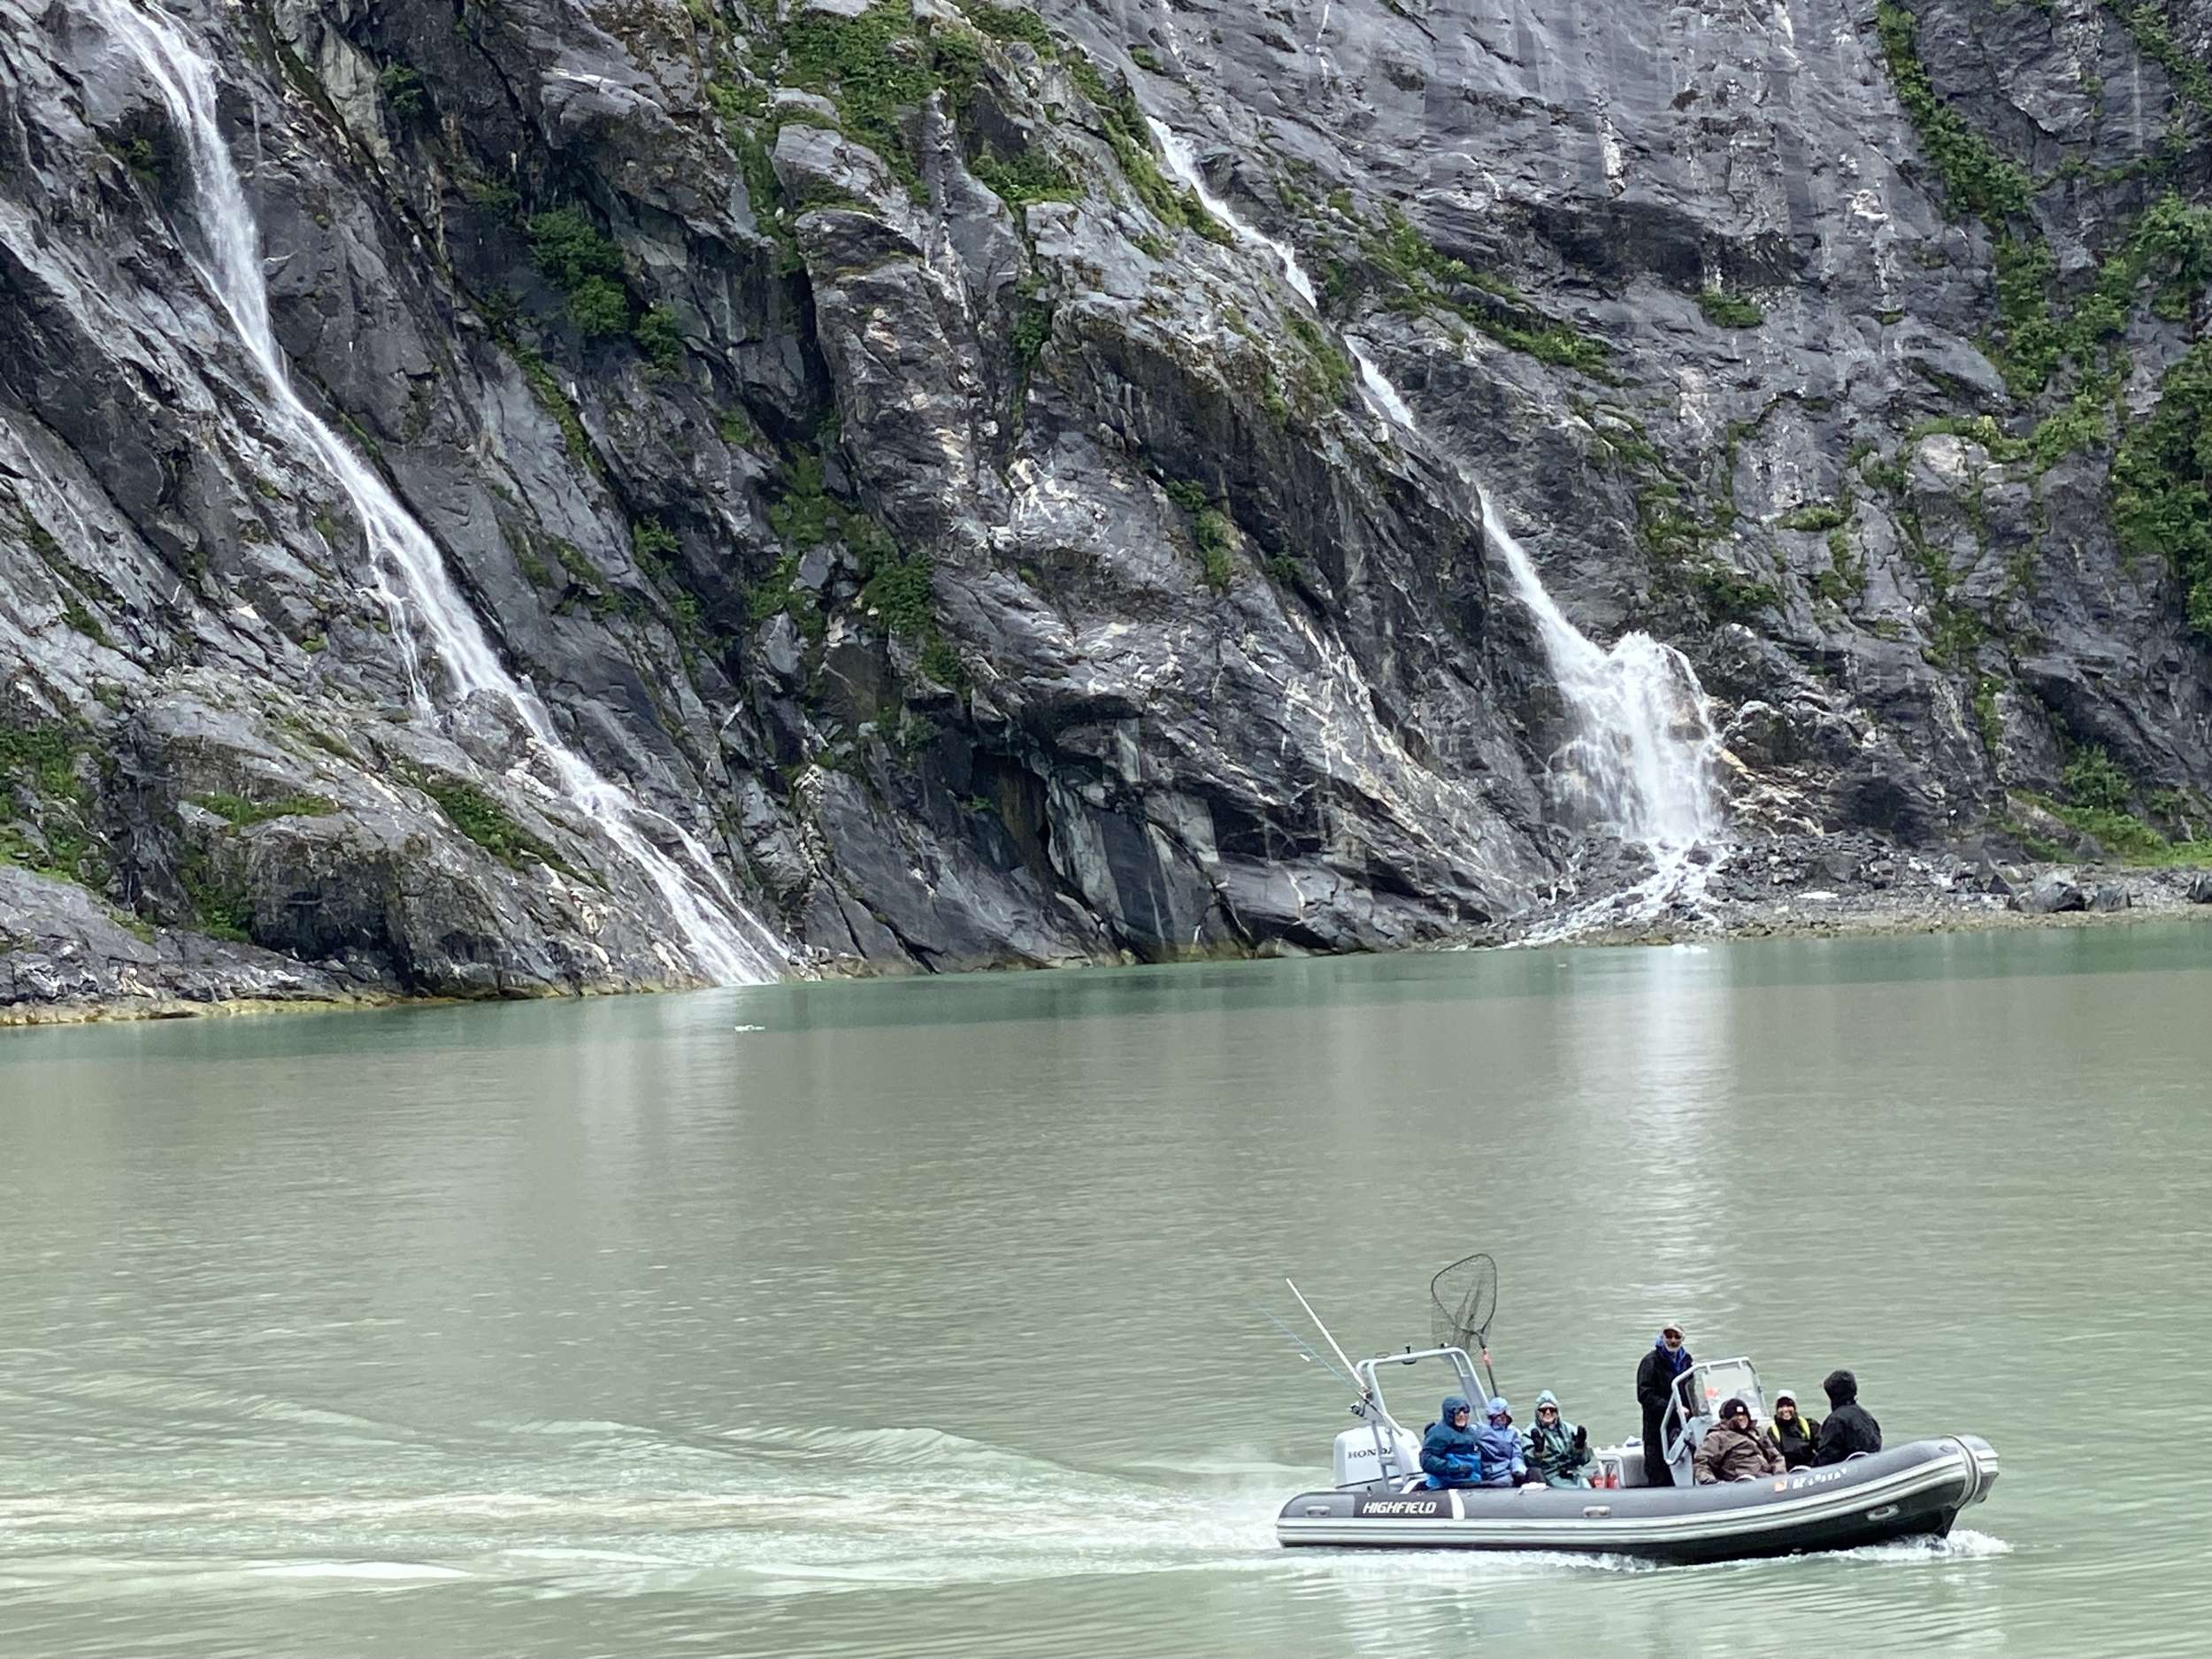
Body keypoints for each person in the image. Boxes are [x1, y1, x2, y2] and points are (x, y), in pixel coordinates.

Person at [1634, 1324, 1694, 1486]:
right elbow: (1645, 1395)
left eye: (1677, 1337)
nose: (1672, 1340)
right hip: (1658, 1425)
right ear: (1662, 1337)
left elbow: (1690, 1390)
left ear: (1682, 1339)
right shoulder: (1650, 1362)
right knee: (1658, 1468)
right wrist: (1672, 1408)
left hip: (1682, 1425)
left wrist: (1697, 1409)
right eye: (1669, 1336)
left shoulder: (1686, 1361)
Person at [1694, 1396, 1785, 1484]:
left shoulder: (1757, 1432)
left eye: (1744, 1415)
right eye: (1736, 1416)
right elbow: (1702, 1463)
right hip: (1741, 1483)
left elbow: (1776, 1457)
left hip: (1767, 1479)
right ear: (1727, 1419)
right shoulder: (1717, 1437)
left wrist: (1780, 1475)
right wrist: (1712, 1483)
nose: (1741, 1418)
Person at [1523, 1389, 1594, 1488]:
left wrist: (1580, 1448)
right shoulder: (1530, 1433)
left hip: (1574, 1473)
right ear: (1537, 1412)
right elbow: (1529, 1462)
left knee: (1587, 1489)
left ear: (1557, 1411)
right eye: (1543, 1410)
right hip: (1551, 1475)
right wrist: (1538, 1451)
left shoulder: (1569, 1429)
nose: (1548, 1413)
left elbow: (1584, 1460)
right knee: (1573, 1492)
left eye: (1552, 1409)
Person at [1813, 1368, 1882, 1465]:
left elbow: (1828, 1455)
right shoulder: (1865, 1415)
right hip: (1871, 1465)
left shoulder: (1835, 1420)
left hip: (1847, 1470)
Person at [1419, 1394, 1483, 1488]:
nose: (1462, 1415)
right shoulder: (1438, 1434)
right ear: (1449, 1414)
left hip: (1470, 1477)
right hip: (1446, 1481)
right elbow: (1426, 1460)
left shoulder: (1470, 1432)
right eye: (1457, 1412)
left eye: (1465, 1411)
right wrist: (1455, 1468)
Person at [1474, 1396, 1529, 1487]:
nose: (1499, 1419)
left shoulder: (1513, 1432)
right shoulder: (1481, 1430)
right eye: (1496, 1416)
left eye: (1502, 1415)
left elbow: (1517, 1456)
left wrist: (1518, 1471)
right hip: (1485, 1472)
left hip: (1505, 1473)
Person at [1765, 1390, 1821, 1471]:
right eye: (1781, 1406)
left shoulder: (1809, 1424)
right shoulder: (1773, 1432)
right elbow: (1776, 1459)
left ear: (1795, 1408)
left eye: (1789, 1405)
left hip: (1811, 1469)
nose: (1785, 1410)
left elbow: (1822, 1446)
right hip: (1789, 1472)